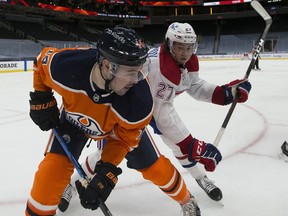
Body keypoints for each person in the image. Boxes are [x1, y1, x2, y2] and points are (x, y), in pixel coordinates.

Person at [26, 25, 222, 216]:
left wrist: (107, 171)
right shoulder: (68, 66)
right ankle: (69, 185)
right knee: (50, 176)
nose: (137, 80)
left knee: (156, 169)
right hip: (75, 121)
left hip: (116, 129)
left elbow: (124, 140)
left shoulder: (139, 101)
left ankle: (187, 199)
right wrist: (41, 97)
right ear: (107, 66)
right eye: (130, 72)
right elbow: (41, 62)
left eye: (139, 71)